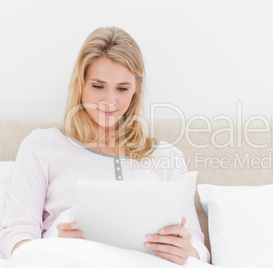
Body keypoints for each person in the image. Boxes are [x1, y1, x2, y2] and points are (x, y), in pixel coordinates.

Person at [0, 26, 210, 265]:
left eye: (122, 89)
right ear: (80, 84)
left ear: (136, 90)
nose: (109, 102)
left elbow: (199, 252)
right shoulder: (41, 146)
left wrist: (187, 250)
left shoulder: (166, 155)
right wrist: (56, 243)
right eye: (98, 86)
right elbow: (14, 238)